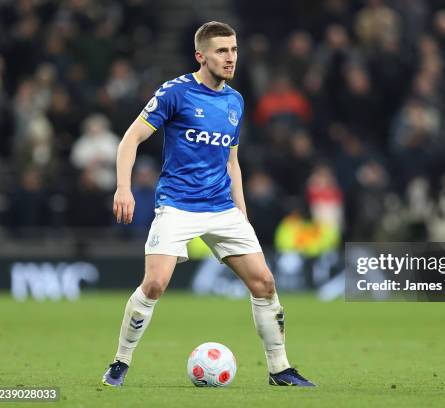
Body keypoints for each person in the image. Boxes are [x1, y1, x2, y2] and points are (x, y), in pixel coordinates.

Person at [101, 21, 315, 387]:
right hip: (178, 204)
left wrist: (241, 215)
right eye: (221, 51)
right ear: (201, 56)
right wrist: (124, 188)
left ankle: (279, 369)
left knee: (264, 283)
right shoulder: (175, 93)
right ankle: (120, 362)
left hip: (221, 208)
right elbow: (130, 140)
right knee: (154, 284)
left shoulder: (235, 101)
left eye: (233, 50)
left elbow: (232, 163)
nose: (230, 57)